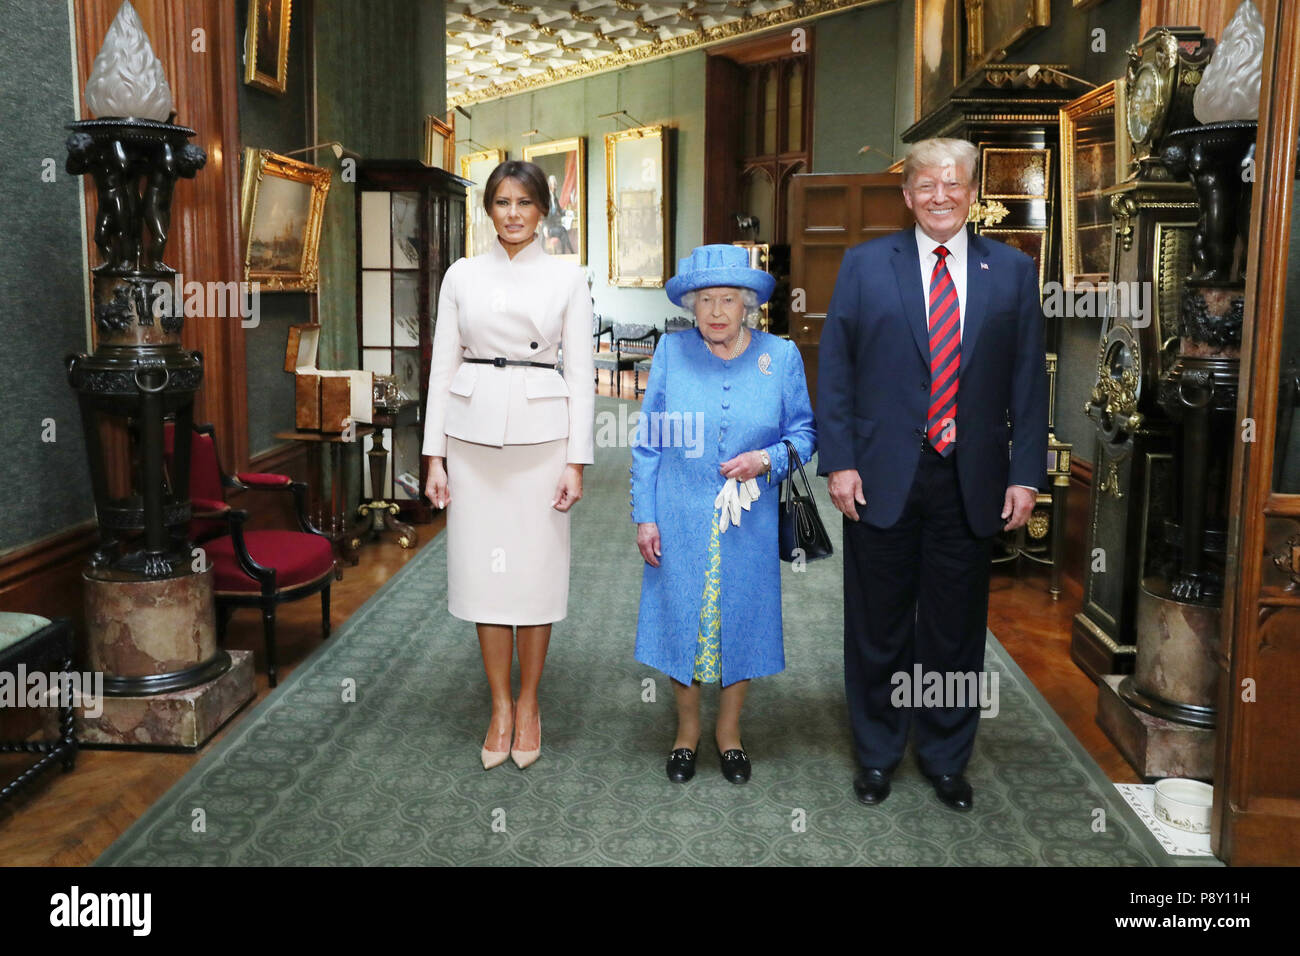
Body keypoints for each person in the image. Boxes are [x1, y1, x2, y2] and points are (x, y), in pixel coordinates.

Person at [816, 138, 1048, 811]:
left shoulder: (1010, 272)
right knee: (877, 625)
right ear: (907, 194)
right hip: (881, 475)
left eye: (952, 185)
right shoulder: (863, 266)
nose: (939, 197)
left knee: (954, 630)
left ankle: (947, 755)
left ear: (972, 192)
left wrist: (1025, 474)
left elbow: (1028, 384)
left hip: (972, 478)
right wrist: (841, 463)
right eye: (925, 185)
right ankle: (879, 752)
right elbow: (837, 374)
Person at [423, 160, 595, 770]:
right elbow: (442, 368)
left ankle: (529, 702)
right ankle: (499, 705)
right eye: (502, 201)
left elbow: (581, 372)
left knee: (535, 578)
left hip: (542, 441)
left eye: (525, 201)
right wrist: (434, 455)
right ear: (488, 210)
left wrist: (577, 461)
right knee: (484, 579)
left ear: (542, 209)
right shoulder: (462, 276)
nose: (514, 213)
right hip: (471, 442)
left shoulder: (568, 277)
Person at [632, 244, 816, 785]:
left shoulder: (779, 357)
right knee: (679, 621)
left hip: (749, 521)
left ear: (748, 305)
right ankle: (686, 733)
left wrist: (766, 459)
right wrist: (647, 515)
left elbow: (805, 435)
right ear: (691, 304)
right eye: (706, 299)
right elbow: (648, 443)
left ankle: (728, 734)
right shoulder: (671, 352)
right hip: (679, 512)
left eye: (728, 300)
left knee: (743, 622)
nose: (715, 311)